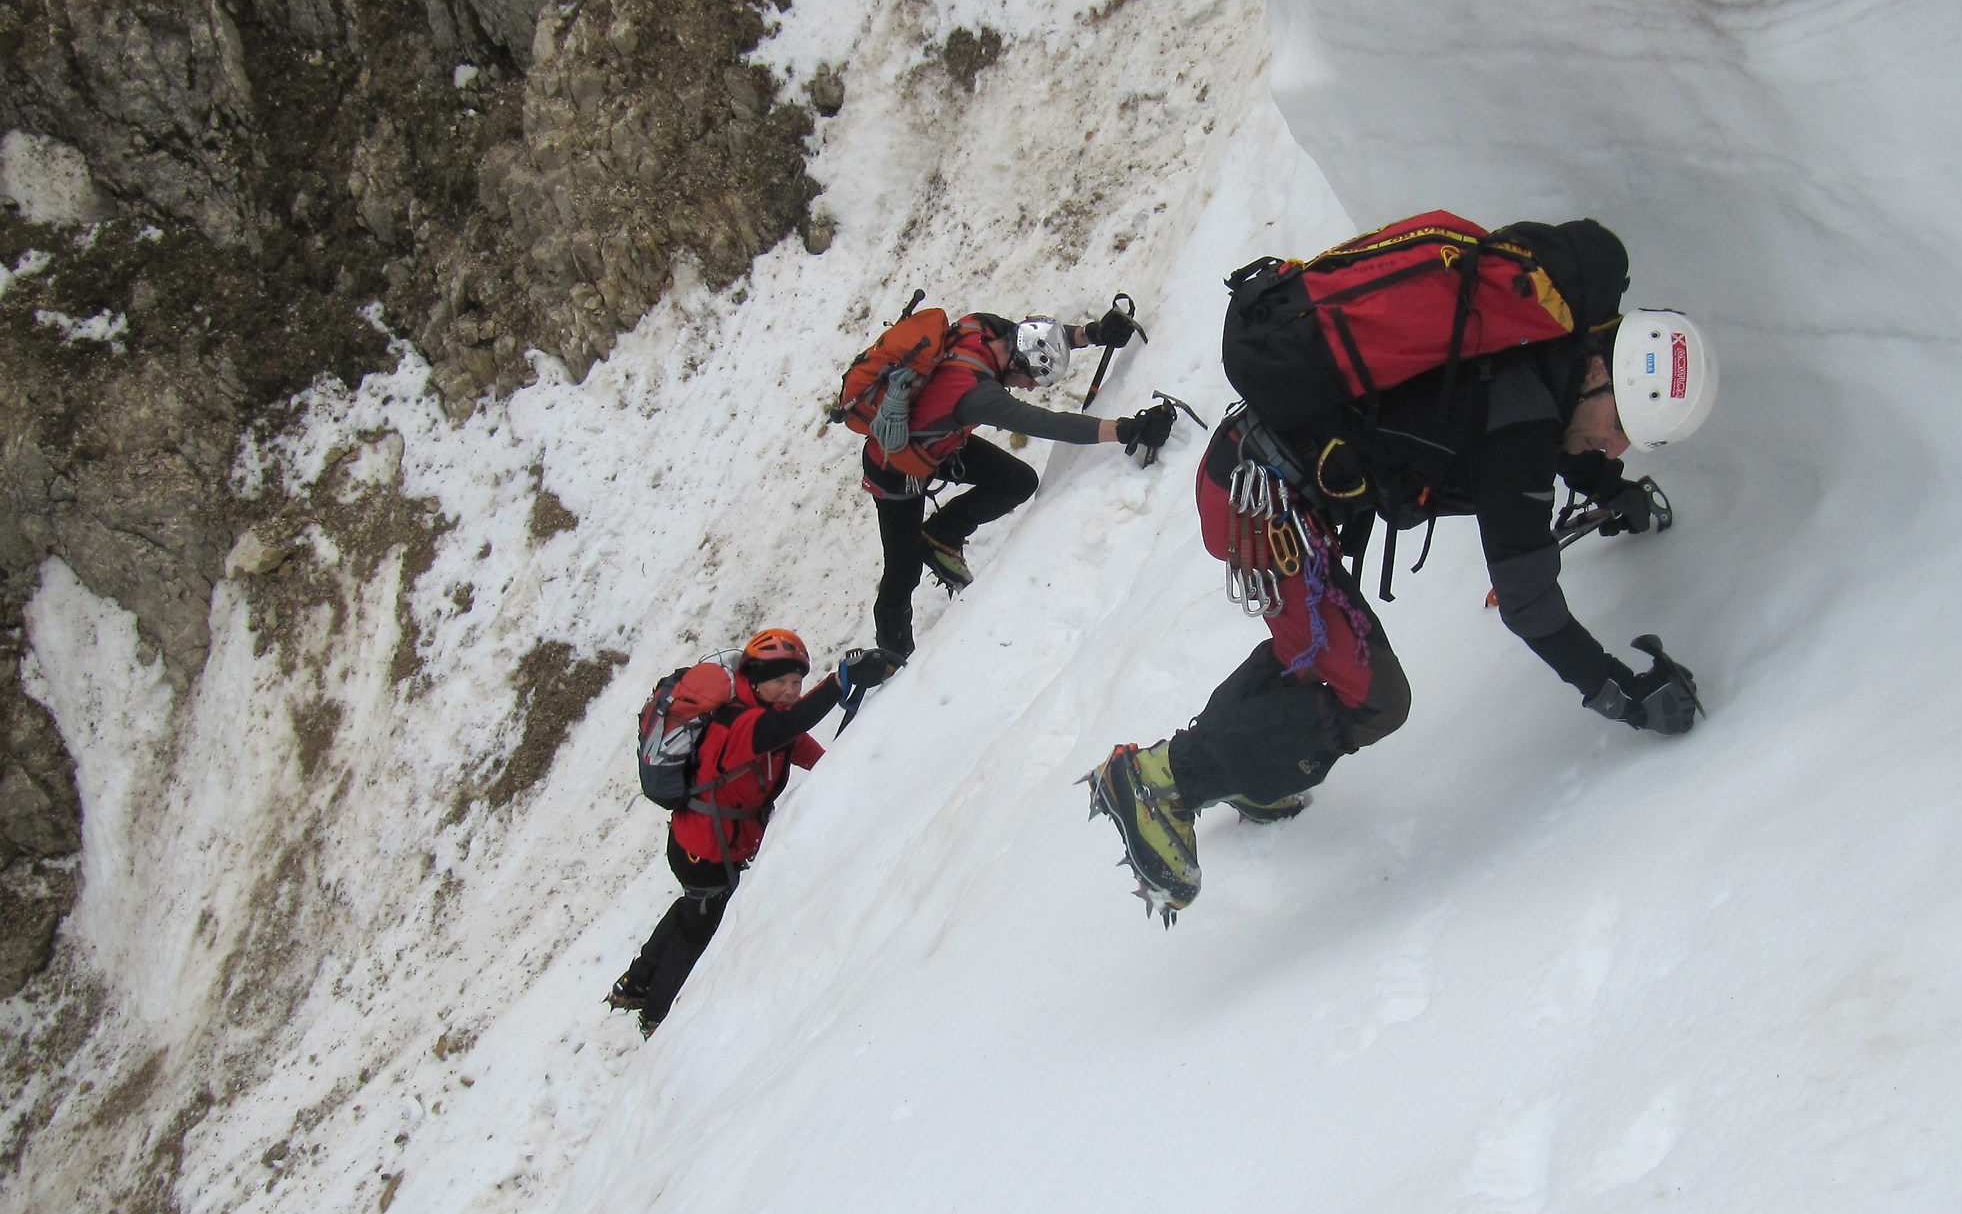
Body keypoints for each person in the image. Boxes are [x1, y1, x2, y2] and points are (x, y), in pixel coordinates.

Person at [1085, 300, 1715, 924]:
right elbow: (1528, 603)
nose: (1617, 445)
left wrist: (1614, 491)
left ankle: (1250, 774)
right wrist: (1623, 694)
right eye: (1622, 424)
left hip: (1254, 472)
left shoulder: (1542, 363)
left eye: (1633, 440)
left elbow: (1568, 439)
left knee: (1309, 646)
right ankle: (1161, 781)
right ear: (1602, 373)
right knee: (1375, 699)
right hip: (1262, 505)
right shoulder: (1520, 431)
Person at [607, 630, 893, 1033]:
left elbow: (798, 745)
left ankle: (635, 982)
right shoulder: (740, 723)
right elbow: (789, 725)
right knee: (699, 931)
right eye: (781, 682)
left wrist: (844, 762)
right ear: (755, 681)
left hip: (698, 842)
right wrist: (838, 682)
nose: (791, 691)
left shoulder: (759, 717)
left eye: (797, 682)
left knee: (692, 910)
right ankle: (656, 1015)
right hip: (706, 851)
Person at [865, 305, 1172, 660]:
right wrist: (1125, 430)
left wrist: (1093, 334)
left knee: (1017, 481)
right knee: (902, 569)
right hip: (895, 466)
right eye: (1029, 380)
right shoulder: (979, 396)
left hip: (939, 443)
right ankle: (892, 656)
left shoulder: (981, 328)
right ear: (1014, 363)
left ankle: (940, 536)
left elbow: (1035, 334)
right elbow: (1048, 424)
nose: (1027, 388)